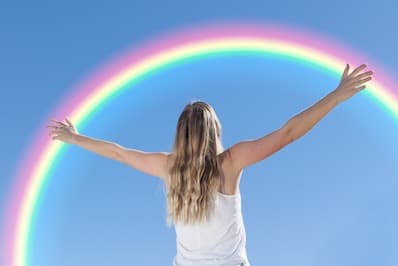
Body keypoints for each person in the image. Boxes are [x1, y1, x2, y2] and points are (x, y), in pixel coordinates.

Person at [48, 63, 373, 266]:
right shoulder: (230, 162)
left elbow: (118, 152)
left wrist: (76, 139)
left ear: (181, 134)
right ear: (214, 131)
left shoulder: (168, 167)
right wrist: (335, 95)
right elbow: (288, 133)